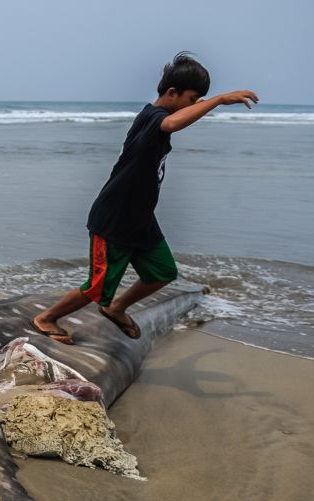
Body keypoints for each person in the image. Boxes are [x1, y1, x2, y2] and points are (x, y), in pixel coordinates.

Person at [32, 53, 258, 344]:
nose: (194, 105)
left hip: (140, 219)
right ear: (172, 93)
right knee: (98, 287)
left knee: (163, 272)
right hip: (115, 218)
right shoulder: (153, 118)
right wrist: (218, 100)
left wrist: (202, 104)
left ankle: (116, 309)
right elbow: (173, 124)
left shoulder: (160, 118)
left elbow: (179, 118)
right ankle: (47, 318)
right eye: (192, 100)